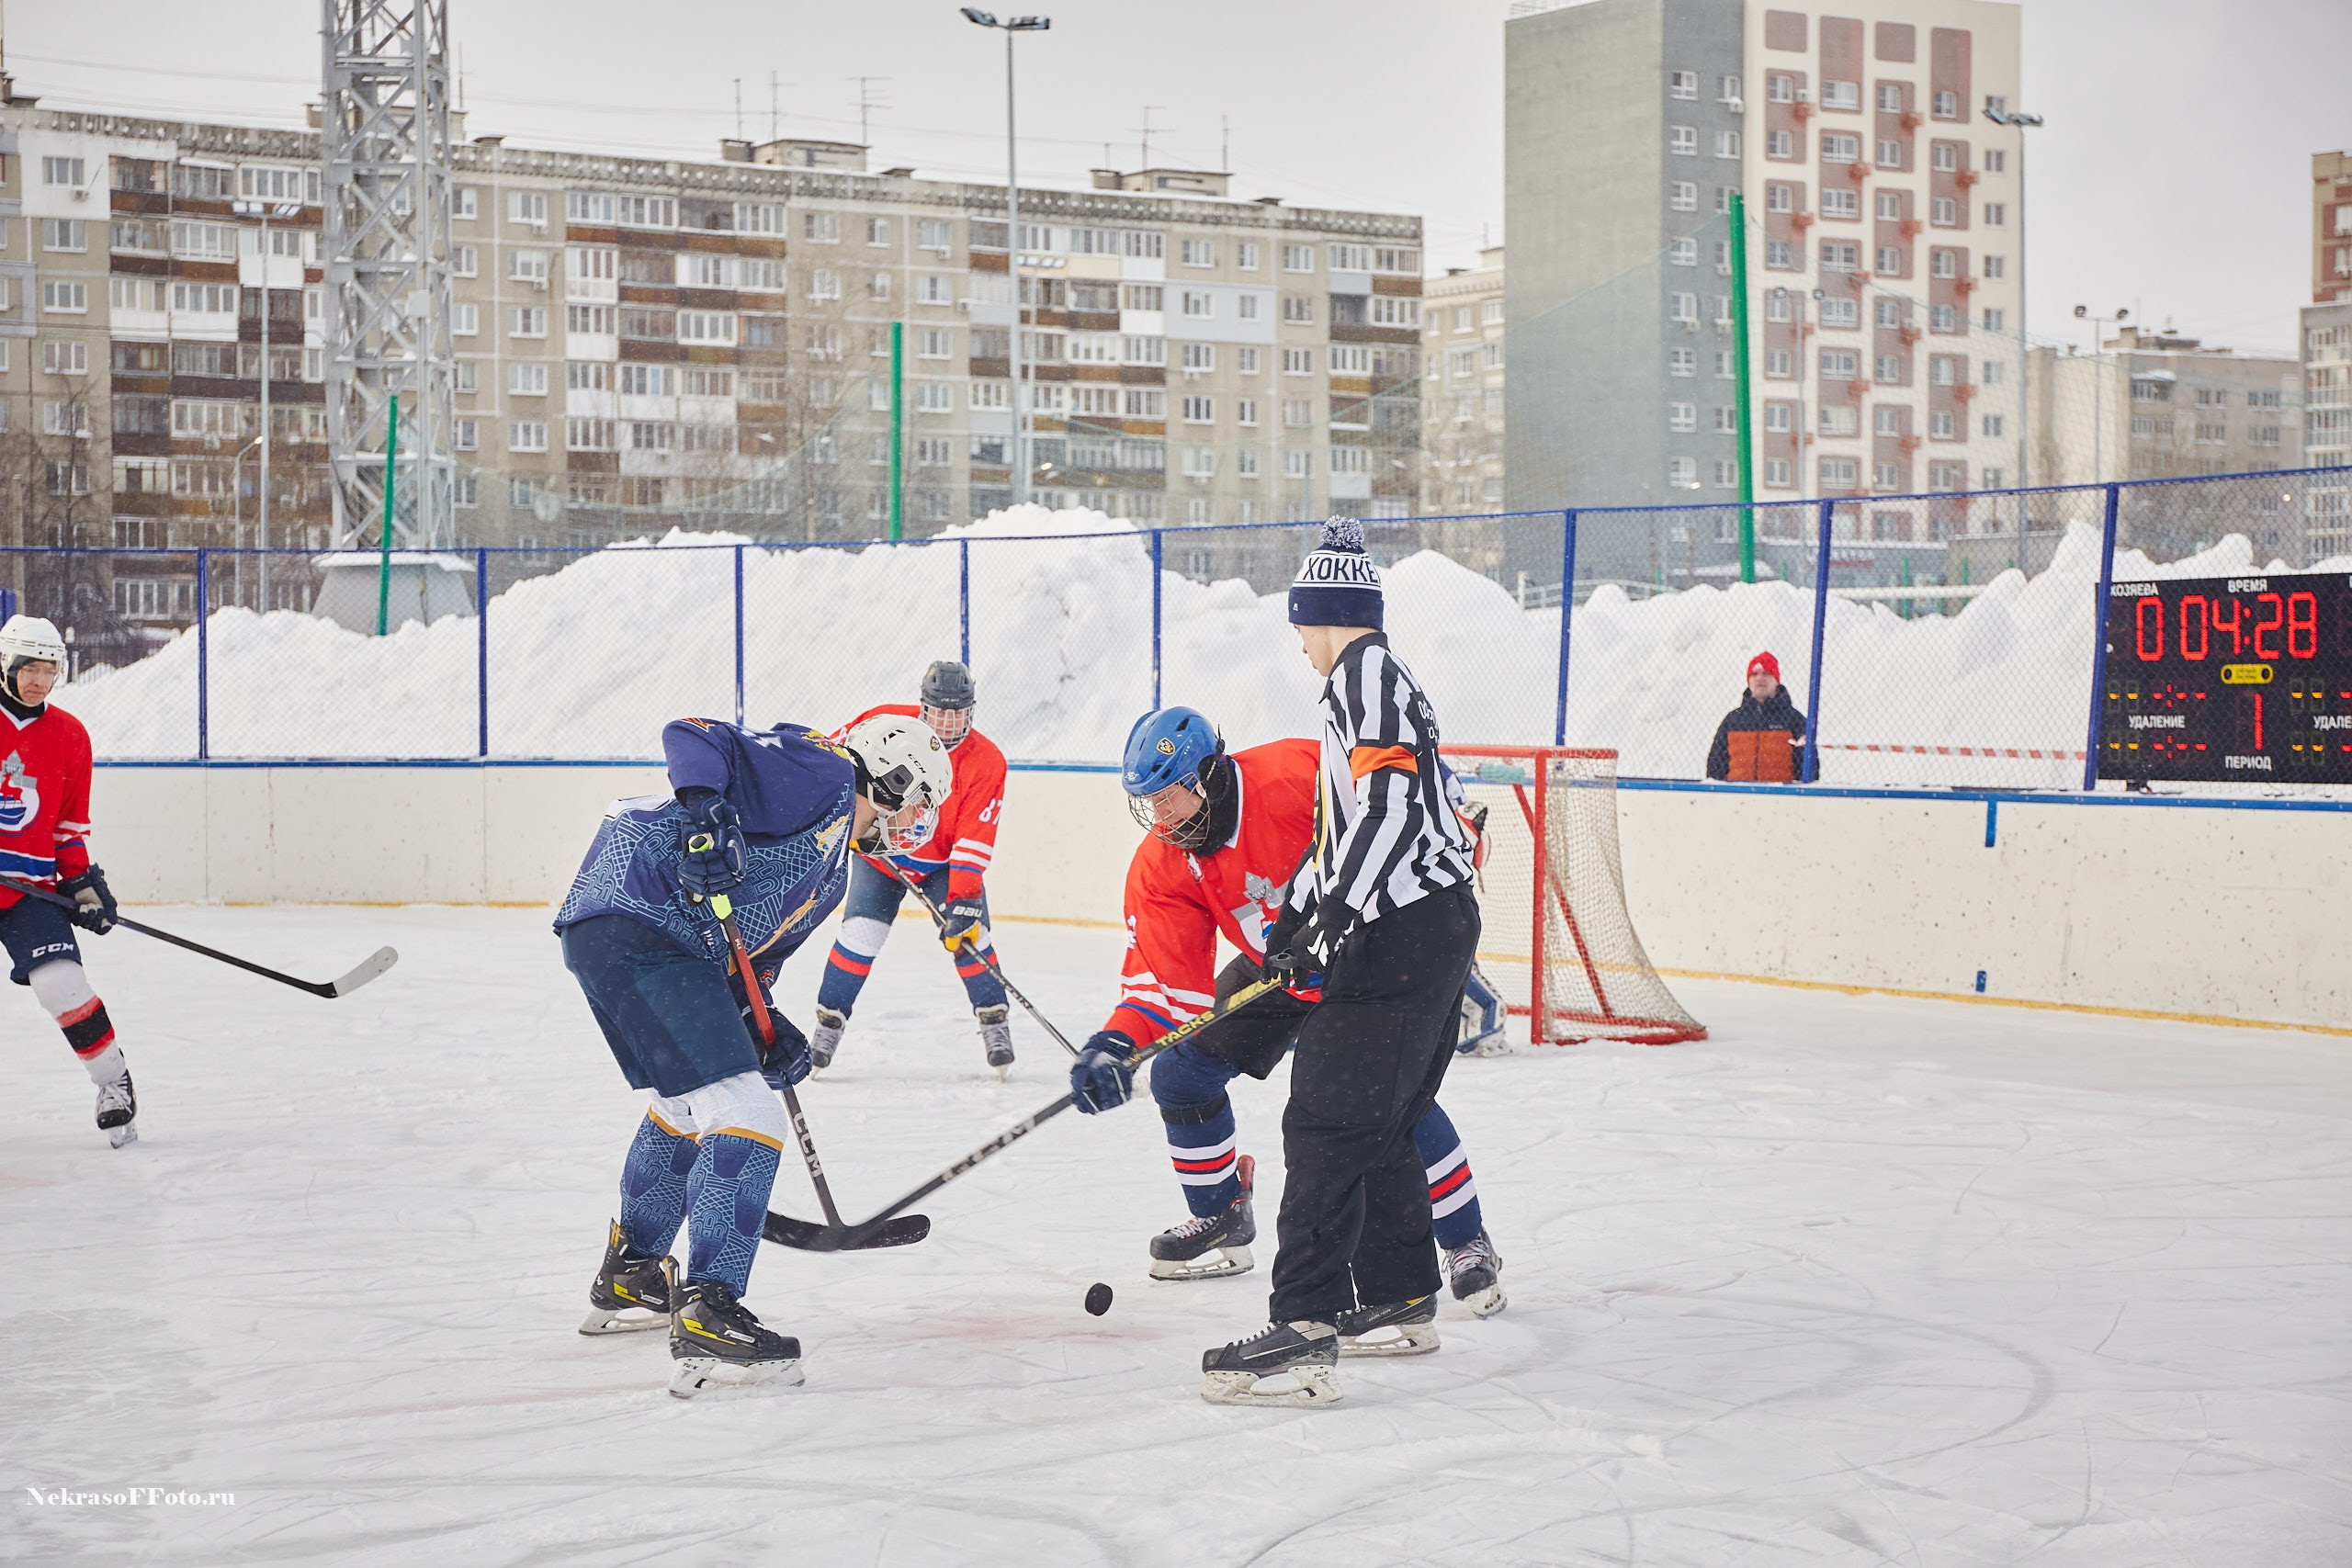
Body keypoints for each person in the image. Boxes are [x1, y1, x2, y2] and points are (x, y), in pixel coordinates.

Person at [1073, 518, 1482, 1406]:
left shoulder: (1362, 676)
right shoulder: (1361, 687)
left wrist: (1332, 919)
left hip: (1397, 927)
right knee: (1373, 1112)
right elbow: (1350, 835)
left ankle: (1302, 1328)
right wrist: (1306, 917)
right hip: (1411, 923)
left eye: (1300, 622)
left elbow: (1385, 806)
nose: (1296, 640)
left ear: (1326, 613)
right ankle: (1401, 1296)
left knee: (1328, 1119)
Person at [555, 710, 952, 1398]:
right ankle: (711, 1305)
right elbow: (693, 733)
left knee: (686, 1103)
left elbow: (749, 969)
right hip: (644, 915)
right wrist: (707, 811)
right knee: (747, 1112)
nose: (917, 818)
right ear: (892, 776)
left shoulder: (830, 874)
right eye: (918, 800)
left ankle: (633, 1270)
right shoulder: (824, 771)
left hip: (619, 929)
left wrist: (767, 1025)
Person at [1069, 705, 1506, 1325]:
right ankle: (1222, 1212)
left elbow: (1402, 812)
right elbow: (1166, 989)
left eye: (1169, 798)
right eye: (1149, 803)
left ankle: (1466, 1238)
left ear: (1210, 773)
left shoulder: (1295, 773)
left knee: (1389, 1102)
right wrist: (1113, 1043)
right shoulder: (1162, 864)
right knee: (1179, 1072)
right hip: (1279, 968)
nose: (1160, 819)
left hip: (1369, 961)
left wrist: (1453, 834)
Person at [810, 660, 1014, 1076]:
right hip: (879, 857)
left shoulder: (986, 761)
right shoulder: (883, 724)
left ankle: (995, 1021)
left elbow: (974, 839)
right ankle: (827, 1025)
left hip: (941, 865)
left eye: (957, 714)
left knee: (972, 937)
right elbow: (831, 761)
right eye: (940, 712)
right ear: (923, 707)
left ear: (971, 712)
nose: (947, 723)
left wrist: (964, 899)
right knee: (859, 935)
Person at [0, 615, 131, 1148]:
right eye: (27, 668)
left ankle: (114, 1082)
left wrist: (81, 886)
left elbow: (67, 829)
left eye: (47, 669)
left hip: (29, 889)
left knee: (60, 982)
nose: (37, 679)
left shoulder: (71, 736)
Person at [1705, 651, 1809, 782]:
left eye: (1766, 673)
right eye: (1754, 674)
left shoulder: (1794, 720)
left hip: (1781, 798)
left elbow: (1809, 768)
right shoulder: (1733, 720)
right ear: (1748, 681)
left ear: (1776, 680)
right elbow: (1715, 766)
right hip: (1737, 797)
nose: (1760, 678)